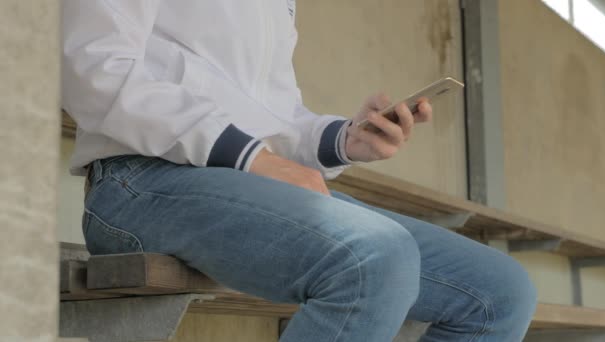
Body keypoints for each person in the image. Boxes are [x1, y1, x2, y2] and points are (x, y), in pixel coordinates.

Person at [62, 1, 537, 341]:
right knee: (373, 257)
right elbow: (93, 68)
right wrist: (253, 157)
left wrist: (344, 139)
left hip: (239, 182)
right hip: (140, 182)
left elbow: (274, 116)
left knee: (499, 292)